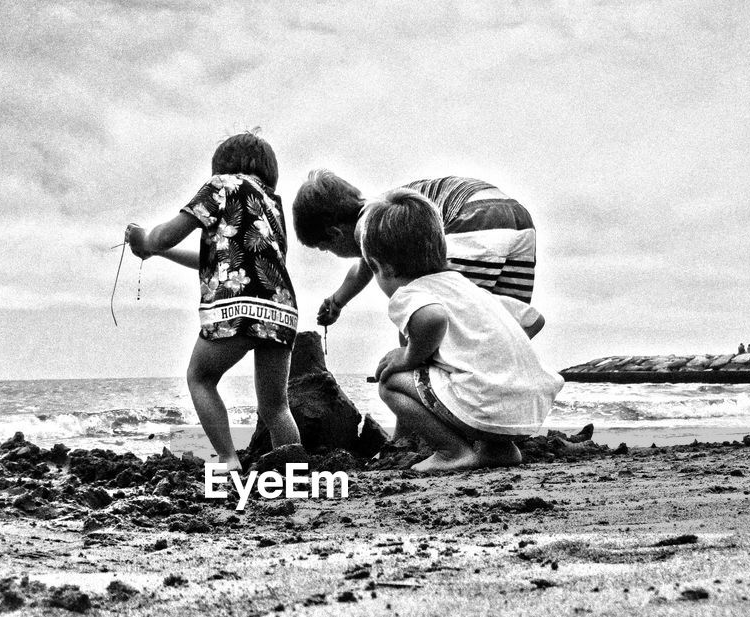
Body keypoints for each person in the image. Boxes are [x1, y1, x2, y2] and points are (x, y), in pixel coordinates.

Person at [124, 132, 300, 473]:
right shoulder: (270, 205)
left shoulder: (221, 185)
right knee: (276, 406)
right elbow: (215, 258)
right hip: (281, 309)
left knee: (200, 377)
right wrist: (159, 255)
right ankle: (293, 470)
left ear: (222, 165)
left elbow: (165, 235)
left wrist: (146, 240)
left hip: (236, 305)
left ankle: (229, 458)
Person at [364, 189, 563, 473]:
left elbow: (431, 318)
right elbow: (534, 319)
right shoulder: (468, 288)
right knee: (456, 378)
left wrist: (408, 357)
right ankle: (501, 450)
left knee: (391, 380)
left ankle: (452, 451)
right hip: (528, 410)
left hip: (483, 410)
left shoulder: (410, 292)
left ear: (380, 267)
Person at [292, 171, 545, 337]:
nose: (331, 253)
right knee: (507, 325)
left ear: (336, 233)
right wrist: (336, 302)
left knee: (434, 319)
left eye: (325, 248)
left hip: (472, 217)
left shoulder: (375, 222)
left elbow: (367, 269)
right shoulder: (380, 210)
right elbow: (362, 269)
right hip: (517, 216)